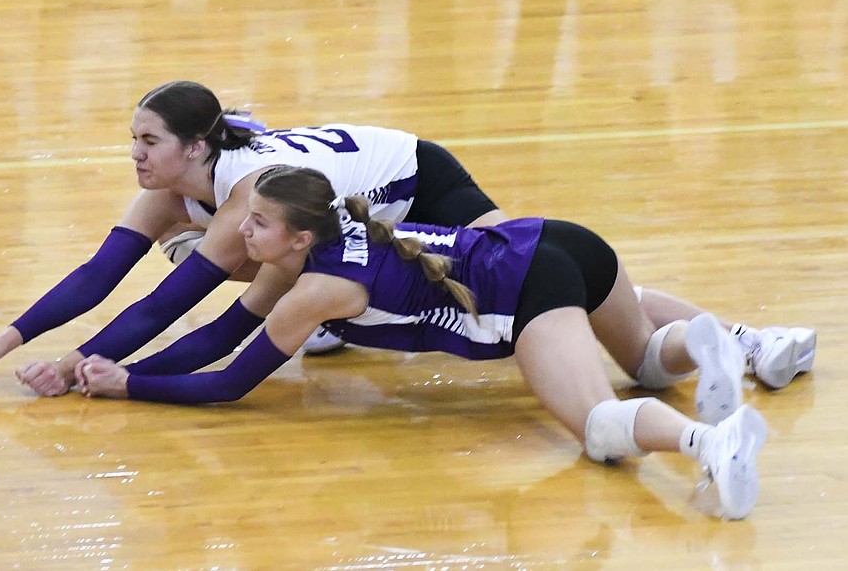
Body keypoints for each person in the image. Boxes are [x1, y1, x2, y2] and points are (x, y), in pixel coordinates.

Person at [0, 80, 815, 395]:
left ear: (197, 149)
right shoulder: (169, 194)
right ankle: (338, 320)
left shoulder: (243, 197)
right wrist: (8, 338)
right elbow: (98, 275)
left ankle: (741, 337)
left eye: (147, 142)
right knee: (316, 305)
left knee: (538, 291)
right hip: (336, 219)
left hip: (415, 182)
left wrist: (86, 368)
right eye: (132, 143)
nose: (134, 157)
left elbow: (168, 308)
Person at [67, 166, 775, 520]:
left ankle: (708, 444)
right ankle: (703, 342)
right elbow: (225, 327)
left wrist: (128, 384)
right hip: (557, 238)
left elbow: (227, 378)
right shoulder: (323, 244)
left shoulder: (314, 290)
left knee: (597, 426)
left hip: (526, 281)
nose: (239, 234)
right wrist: (118, 366)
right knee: (648, 358)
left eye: (255, 225)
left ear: (299, 238)